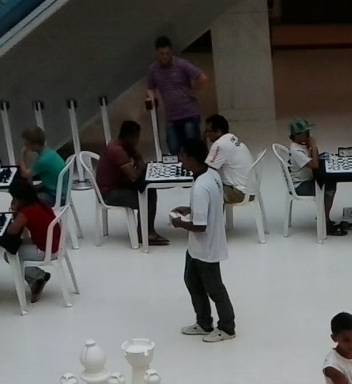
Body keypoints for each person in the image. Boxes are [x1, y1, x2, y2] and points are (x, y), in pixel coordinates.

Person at [170, 138, 235, 342]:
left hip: (206, 249)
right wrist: (190, 209)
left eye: (182, 156)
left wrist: (179, 223)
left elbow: (200, 226)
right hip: (196, 248)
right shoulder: (211, 174)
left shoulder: (200, 187)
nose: (180, 161)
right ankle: (204, 322)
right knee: (192, 281)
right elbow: (210, 206)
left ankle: (227, 327)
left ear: (191, 158)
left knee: (215, 288)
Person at [94, 120, 167, 247]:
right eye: (136, 137)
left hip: (117, 185)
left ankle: (147, 230)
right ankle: (144, 234)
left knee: (150, 190)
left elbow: (137, 162)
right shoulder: (118, 151)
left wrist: (137, 159)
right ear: (130, 137)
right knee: (146, 198)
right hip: (109, 193)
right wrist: (139, 164)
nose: (137, 141)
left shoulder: (120, 144)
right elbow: (134, 177)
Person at [146, 35, 209, 160]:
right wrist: (151, 98)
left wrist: (192, 91)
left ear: (171, 52)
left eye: (167, 53)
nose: (165, 56)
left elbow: (202, 77)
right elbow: (150, 87)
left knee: (193, 148)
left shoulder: (181, 64)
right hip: (172, 117)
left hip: (189, 114)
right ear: (157, 53)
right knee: (174, 148)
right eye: (162, 53)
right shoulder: (153, 69)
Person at [285, 118, 346, 238]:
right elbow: (315, 165)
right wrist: (314, 147)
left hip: (307, 180)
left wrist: (311, 148)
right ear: (297, 135)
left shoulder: (301, 146)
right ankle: (325, 222)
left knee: (330, 182)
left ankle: (324, 217)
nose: (309, 135)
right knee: (329, 186)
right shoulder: (296, 150)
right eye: (305, 132)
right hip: (301, 186)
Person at [4, 177, 59, 301]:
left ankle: (38, 277)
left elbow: (11, 231)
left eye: (15, 199)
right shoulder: (39, 202)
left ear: (21, 200)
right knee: (18, 246)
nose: (13, 201)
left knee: (9, 255)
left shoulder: (27, 212)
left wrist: (15, 212)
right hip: (54, 243)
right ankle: (37, 279)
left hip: (46, 249)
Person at [204, 114, 253, 206]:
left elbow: (207, 171)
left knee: (204, 189)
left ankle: (201, 218)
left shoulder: (220, 144)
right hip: (250, 189)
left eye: (208, 131)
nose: (206, 135)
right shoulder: (231, 137)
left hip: (239, 193)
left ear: (218, 131)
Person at [18, 125, 67, 206]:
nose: (25, 146)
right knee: (29, 190)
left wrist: (22, 154)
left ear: (35, 144)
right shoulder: (49, 152)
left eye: (27, 144)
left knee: (24, 200)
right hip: (60, 190)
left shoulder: (43, 160)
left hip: (56, 196)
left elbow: (25, 175)